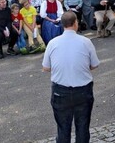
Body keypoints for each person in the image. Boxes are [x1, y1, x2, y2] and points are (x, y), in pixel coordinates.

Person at [42, 11, 100, 143]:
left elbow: (46, 67)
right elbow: (94, 65)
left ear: (63, 25)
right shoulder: (86, 42)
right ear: (75, 24)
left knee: (63, 128)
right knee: (83, 128)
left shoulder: (52, 43)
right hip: (83, 90)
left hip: (60, 91)